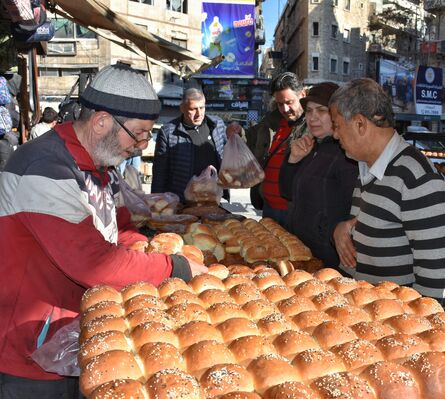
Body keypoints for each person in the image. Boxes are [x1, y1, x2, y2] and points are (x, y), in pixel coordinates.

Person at [0, 64, 207, 397]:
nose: (142, 145)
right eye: (138, 133)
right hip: (29, 349)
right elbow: (92, 262)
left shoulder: (100, 166)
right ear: (101, 122)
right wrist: (175, 267)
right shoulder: (47, 168)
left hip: (74, 333)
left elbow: (121, 230)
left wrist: (150, 250)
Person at [331, 78, 445, 301]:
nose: (335, 135)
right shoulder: (367, 166)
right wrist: (342, 230)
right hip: (363, 313)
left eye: (337, 125)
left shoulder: (417, 177)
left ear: (360, 123)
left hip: (396, 325)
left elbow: (435, 275)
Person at [279, 82, 358, 267]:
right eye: (309, 111)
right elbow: (286, 192)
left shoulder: (347, 154)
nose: (312, 117)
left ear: (337, 114)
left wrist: (330, 233)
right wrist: (293, 160)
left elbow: (355, 209)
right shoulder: (311, 146)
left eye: (321, 111)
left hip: (330, 260)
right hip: (303, 251)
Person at [151, 87, 241, 201]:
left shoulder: (217, 124)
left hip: (214, 198)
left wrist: (234, 137)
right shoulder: (168, 132)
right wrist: (156, 201)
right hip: (182, 200)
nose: (199, 114)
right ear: (182, 108)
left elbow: (227, 154)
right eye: (193, 109)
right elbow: (160, 172)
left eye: (202, 108)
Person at [245, 72, 308, 227]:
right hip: (268, 209)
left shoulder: (313, 126)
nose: (285, 109)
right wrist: (236, 132)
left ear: (302, 95)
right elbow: (248, 138)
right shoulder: (270, 122)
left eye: (289, 102)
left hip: (296, 212)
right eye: (280, 104)